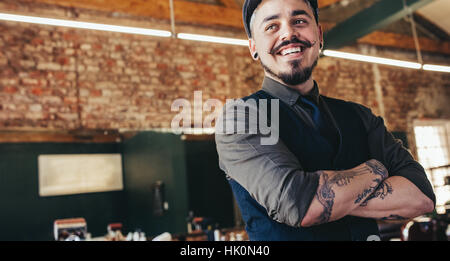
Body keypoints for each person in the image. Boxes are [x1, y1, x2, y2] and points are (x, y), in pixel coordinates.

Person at [214, 0, 436, 241]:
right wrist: (377, 169)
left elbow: (422, 197)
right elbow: (298, 204)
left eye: (299, 21)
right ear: (253, 47)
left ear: (319, 35)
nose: (288, 33)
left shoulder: (360, 116)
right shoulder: (241, 119)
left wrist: (325, 196)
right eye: (272, 26)